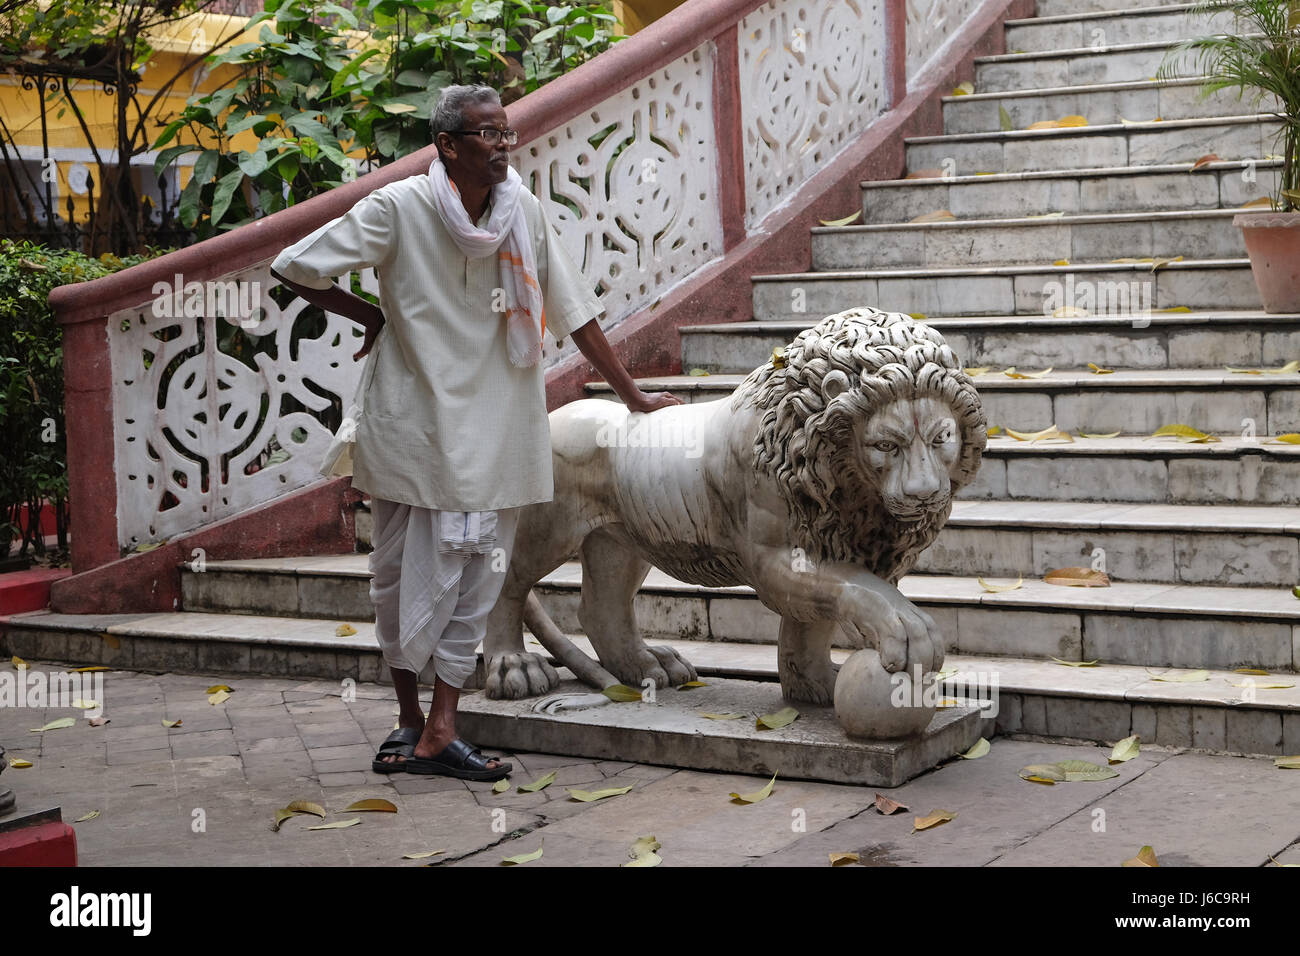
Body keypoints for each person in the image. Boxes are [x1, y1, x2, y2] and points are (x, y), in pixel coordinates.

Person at [270, 84, 681, 782]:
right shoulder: (397, 208)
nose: (502, 145)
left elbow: (574, 311)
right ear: (449, 147)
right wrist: (370, 315)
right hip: (413, 428)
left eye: (506, 133)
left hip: (496, 426)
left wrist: (632, 395)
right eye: (486, 135)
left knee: (473, 583)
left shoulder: (524, 212)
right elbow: (295, 266)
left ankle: (441, 729)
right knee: (396, 578)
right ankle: (409, 725)